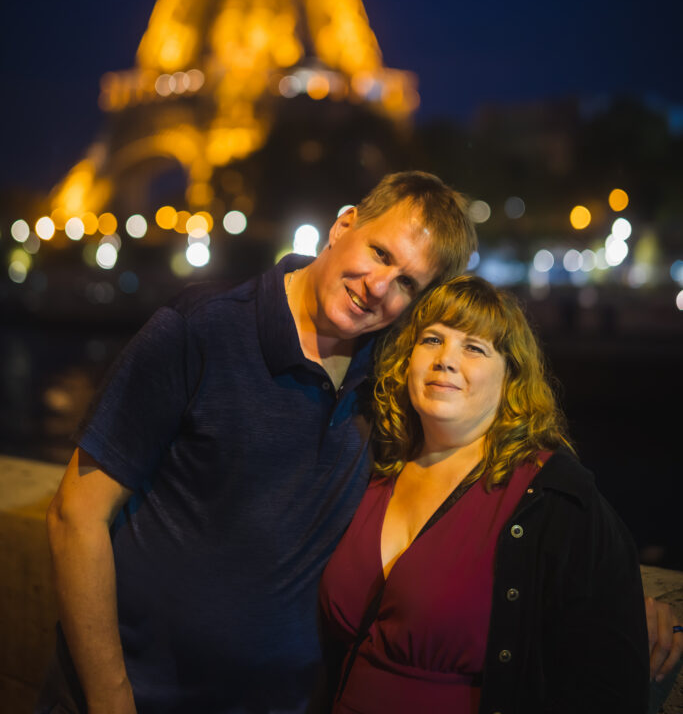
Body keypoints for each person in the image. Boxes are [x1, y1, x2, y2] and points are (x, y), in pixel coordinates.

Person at [39, 171, 477, 714]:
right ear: (343, 226)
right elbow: (75, 515)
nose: (380, 287)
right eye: (380, 253)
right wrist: (111, 700)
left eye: (408, 282)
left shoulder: (390, 375)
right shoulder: (200, 328)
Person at [319, 276, 652, 713]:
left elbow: (608, 676)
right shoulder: (373, 467)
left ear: (510, 377)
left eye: (474, 348)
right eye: (432, 339)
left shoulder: (551, 497)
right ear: (407, 358)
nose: (445, 360)